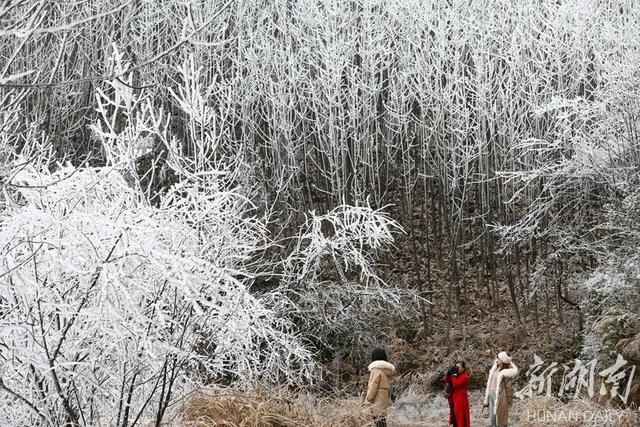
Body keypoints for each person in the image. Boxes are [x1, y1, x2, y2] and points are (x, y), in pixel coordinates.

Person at [483, 351, 518, 427]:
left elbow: (509, 387)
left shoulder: (506, 372)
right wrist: (491, 353)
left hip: (499, 394)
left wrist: (509, 400)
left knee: (500, 416)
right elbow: (495, 358)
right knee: (492, 415)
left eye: (498, 359)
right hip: (492, 392)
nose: (496, 360)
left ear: (502, 361)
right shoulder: (496, 367)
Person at [364, 347, 395, 427]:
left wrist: (368, 399)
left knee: (376, 421)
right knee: (382, 421)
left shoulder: (376, 370)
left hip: (376, 402)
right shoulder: (386, 371)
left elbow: (373, 386)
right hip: (383, 401)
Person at [442, 361, 471, 427]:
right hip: (454, 397)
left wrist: (453, 375)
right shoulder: (457, 375)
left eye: (458, 367)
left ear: (463, 368)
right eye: (456, 367)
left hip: (461, 399)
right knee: (455, 415)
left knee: (460, 416)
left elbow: (456, 384)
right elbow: (446, 380)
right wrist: (448, 374)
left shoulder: (465, 377)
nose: (457, 369)